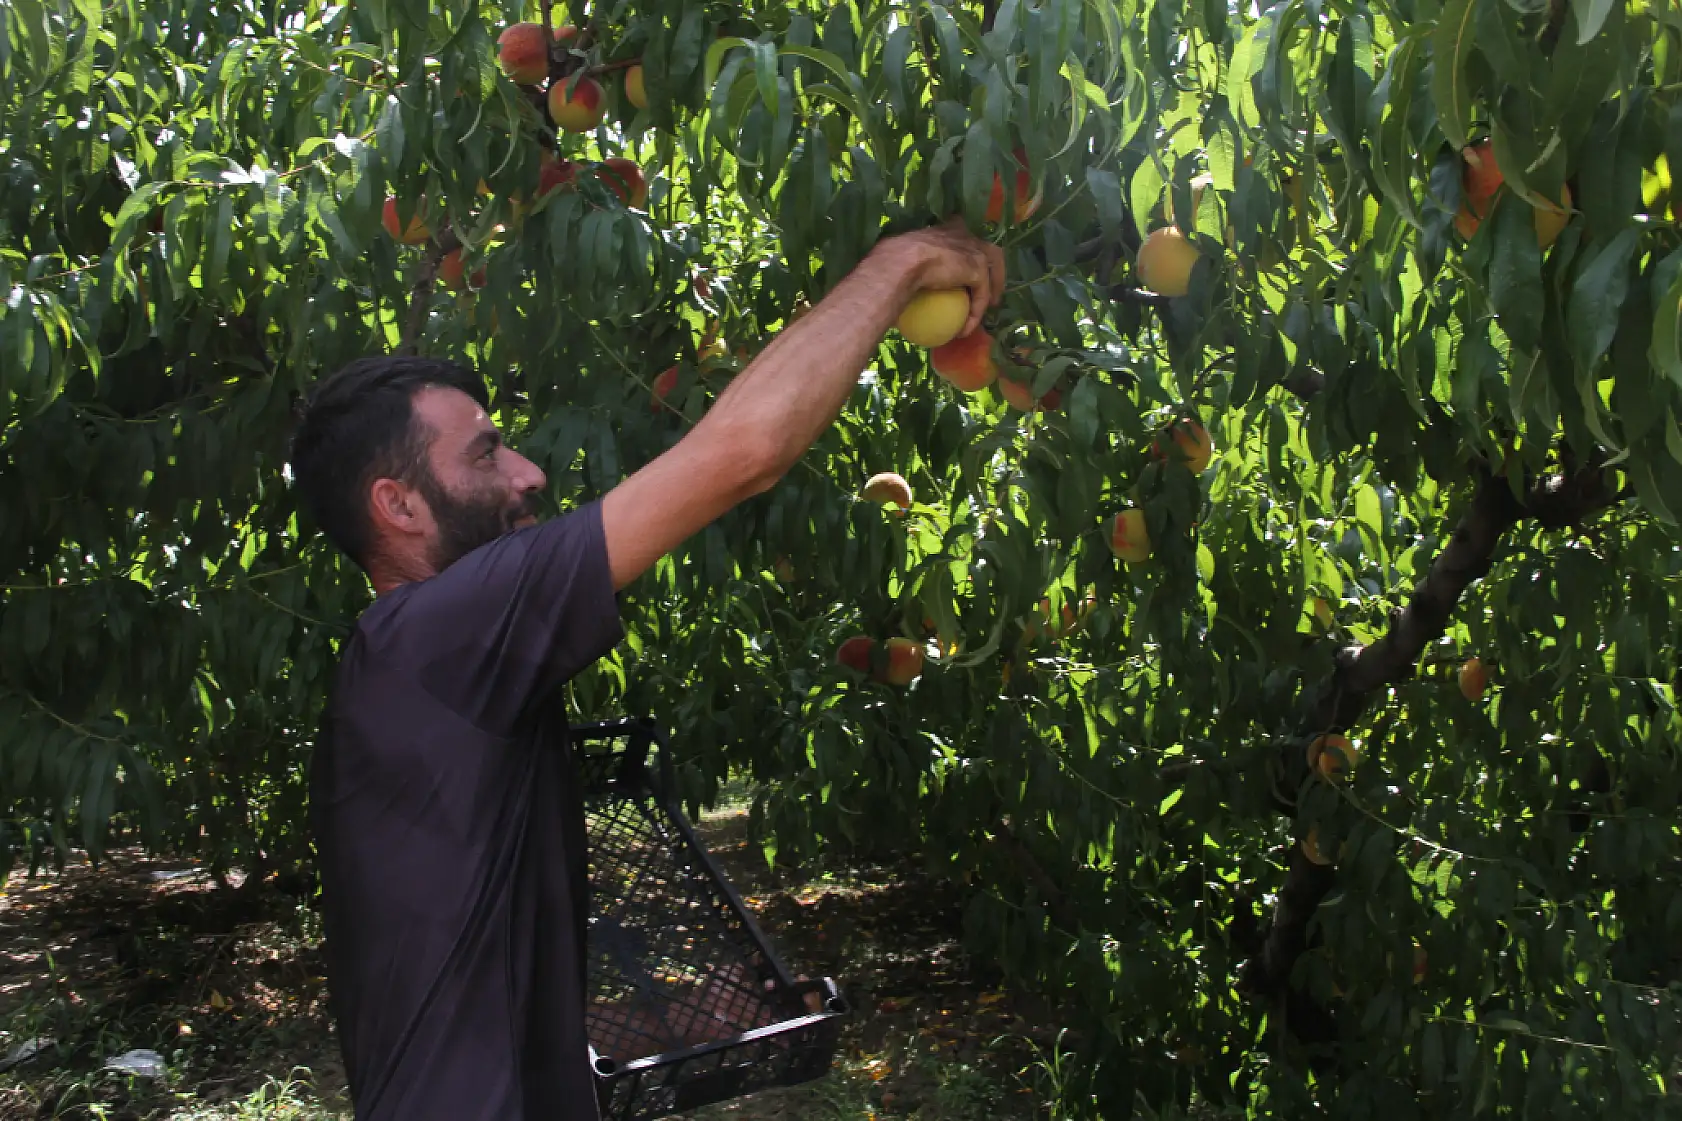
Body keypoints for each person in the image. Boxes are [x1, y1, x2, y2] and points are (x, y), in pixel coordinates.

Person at [284, 221, 1004, 1121]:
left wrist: (654, 1017)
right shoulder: (437, 632)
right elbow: (744, 453)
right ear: (396, 505)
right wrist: (901, 265)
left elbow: (463, 967)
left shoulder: (422, 667)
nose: (531, 472)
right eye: (485, 453)